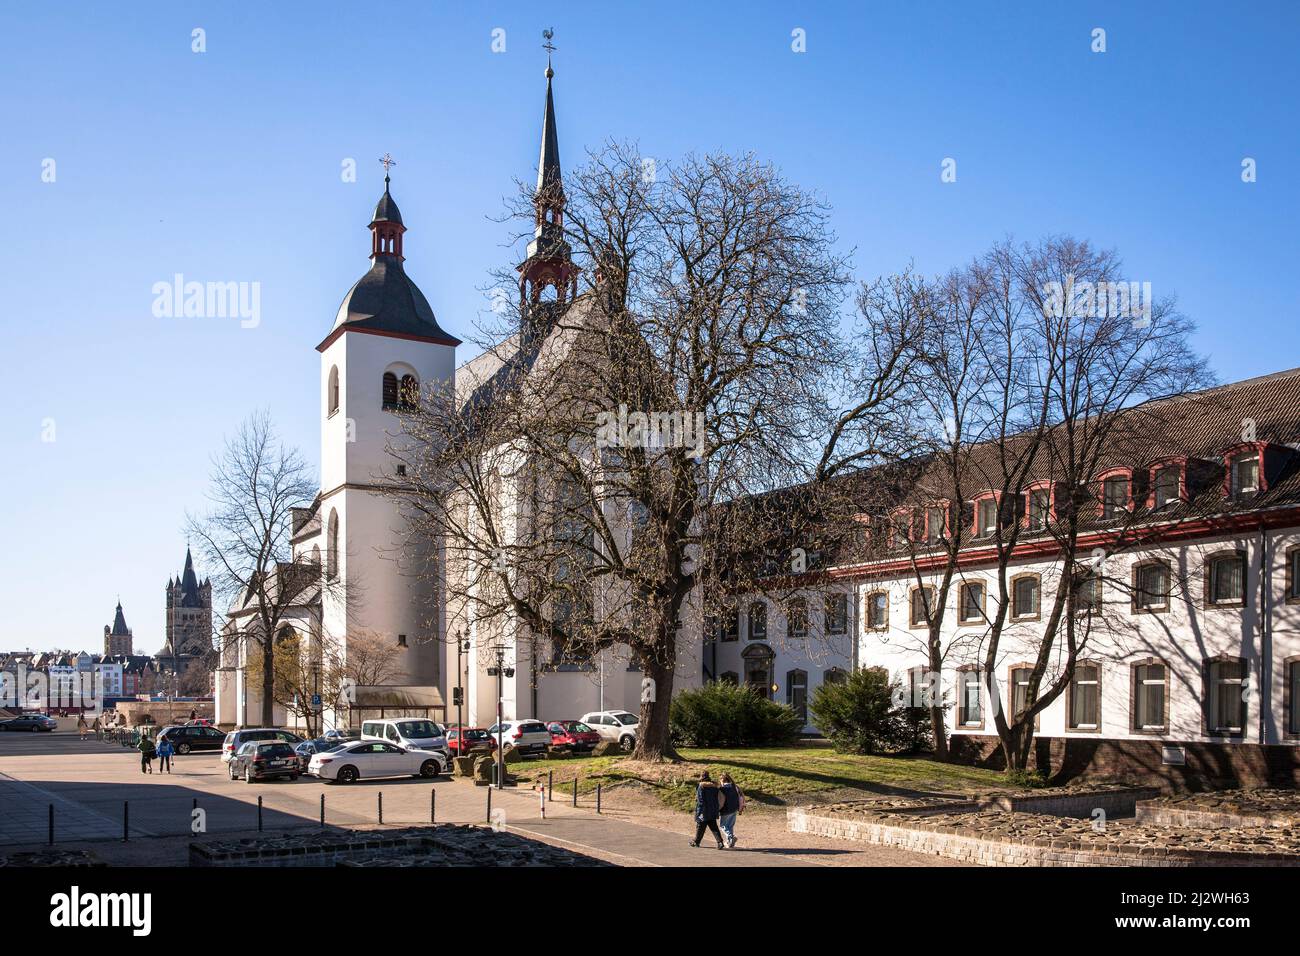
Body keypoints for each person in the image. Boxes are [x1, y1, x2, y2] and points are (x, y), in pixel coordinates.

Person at [689, 771, 725, 849]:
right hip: (713, 809)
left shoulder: (701, 786)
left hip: (703, 810)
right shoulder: (714, 786)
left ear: (702, 777)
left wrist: (699, 812)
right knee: (713, 827)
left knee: (700, 826)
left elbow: (700, 800)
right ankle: (720, 842)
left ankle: (696, 842)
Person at [718, 772, 745, 848]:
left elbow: (720, 800)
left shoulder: (722, 789)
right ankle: (730, 842)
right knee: (730, 825)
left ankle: (731, 837)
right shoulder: (734, 787)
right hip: (734, 808)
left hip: (726, 809)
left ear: (722, 780)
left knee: (723, 826)